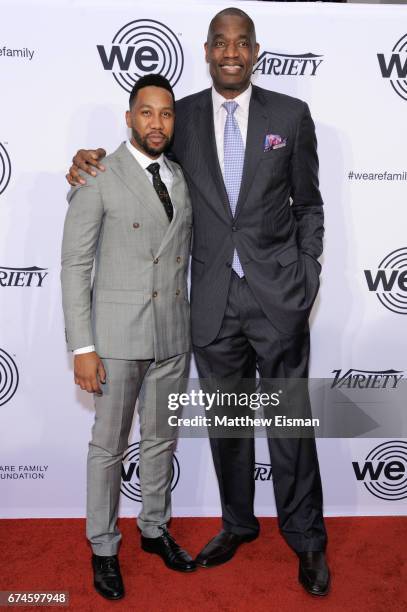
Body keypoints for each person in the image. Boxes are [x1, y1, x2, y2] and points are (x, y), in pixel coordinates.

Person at [66, 8, 330, 596]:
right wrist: (87, 161)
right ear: (206, 51)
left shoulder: (290, 114)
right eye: (220, 42)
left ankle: (307, 539)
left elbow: (309, 204)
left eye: (241, 43)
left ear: (255, 51)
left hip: (278, 299)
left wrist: (305, 275)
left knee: (289, 427)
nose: (231, 52)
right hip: (210, 306)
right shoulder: (178, 115)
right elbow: (139, 153)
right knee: (228, 427)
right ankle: (238, 523)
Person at [61, 74, 196, 601]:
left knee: (161, 439)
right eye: (147, 113)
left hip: (171, 337)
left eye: (166, 114)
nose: (157, 123)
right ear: (129, 117)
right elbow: (75, 264)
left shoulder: (180, 176)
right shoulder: (99, 175)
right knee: (109, 447)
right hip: (115, 338)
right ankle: (102, 547)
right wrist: (82, 346)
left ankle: (155, 529)